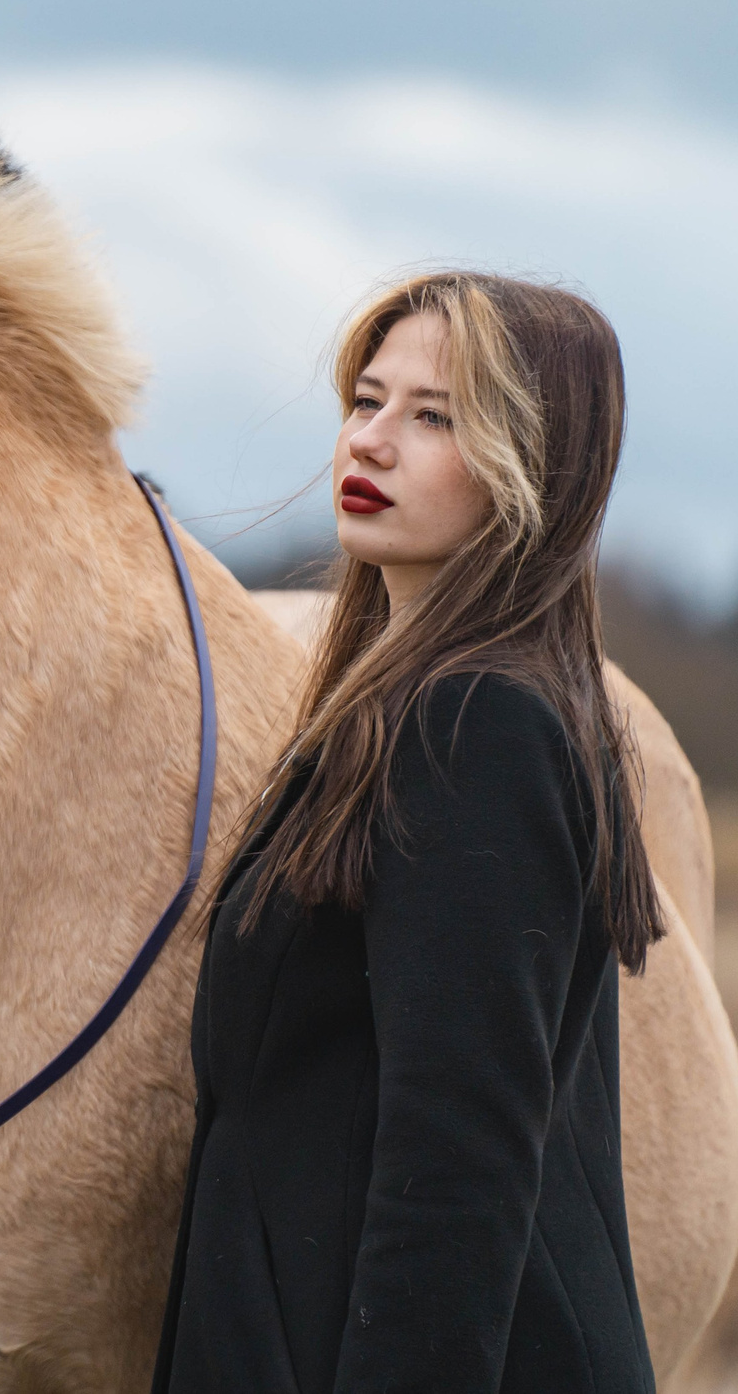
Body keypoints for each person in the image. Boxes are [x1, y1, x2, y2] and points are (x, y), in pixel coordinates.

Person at [153, 272, 664, 1393]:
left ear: (537, 470)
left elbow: (457, 1170)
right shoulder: (399, 713)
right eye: (366, 400)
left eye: (433, 417)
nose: (373, 441)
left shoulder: (479, 729)